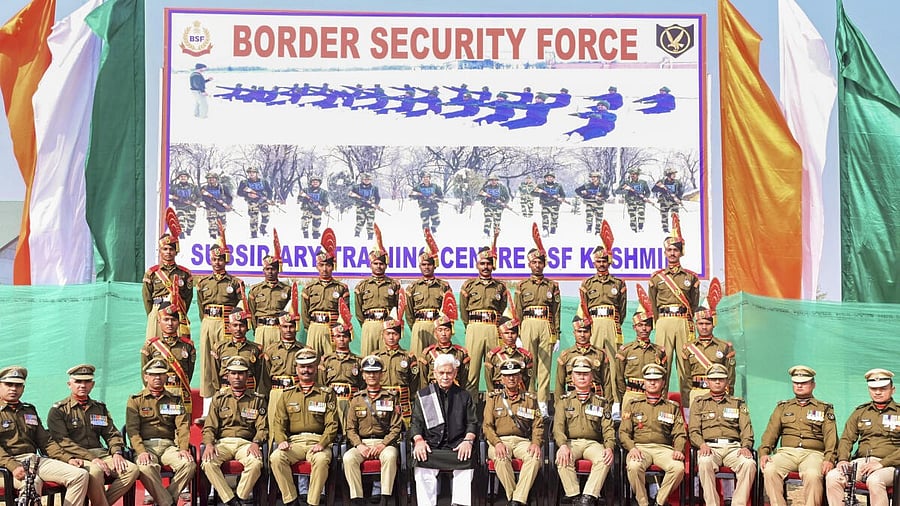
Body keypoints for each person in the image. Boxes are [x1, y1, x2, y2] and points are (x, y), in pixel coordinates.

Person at [46, 364, 139, 506]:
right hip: (76, 457)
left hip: (101, 454)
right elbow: (63, 442)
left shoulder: (99, 407)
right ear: (69, 384)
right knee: (95, 472)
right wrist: (92, 458)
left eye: (87, 381)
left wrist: (116, 453)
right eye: (78, 381)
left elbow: (111, 434)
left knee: (131, 470)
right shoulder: (59, 410)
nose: (82, 385)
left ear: (92, 384)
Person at [0, 366, 89, 506]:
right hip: (6, 465)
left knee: (79, 475)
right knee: (32, 483)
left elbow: (46, 442)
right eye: (8, 384)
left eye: (18, 385)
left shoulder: (29, 410)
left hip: (33, 460)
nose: (13, 389)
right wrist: (13, 466)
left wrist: (68, 458)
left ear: (23, 388)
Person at [759, 366, 837, 506]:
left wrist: (829, 459)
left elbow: (831, 437)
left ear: (813, 385)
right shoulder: (783, 407)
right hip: (786, 453)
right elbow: (771, 432)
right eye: (796, 382)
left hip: (813, 454)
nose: (799, 385)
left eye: (804, 382)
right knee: (770, 469)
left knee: (813, 475)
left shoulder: (824, 408)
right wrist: (764, 452)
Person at [270, 348, 339, 506]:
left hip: (318, 441)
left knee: (321, 460)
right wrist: (281, 440)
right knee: (276, 458)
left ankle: (312, 502)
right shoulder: (287, 394)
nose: (306, 370)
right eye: (302, 367)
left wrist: (322, 443)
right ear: (296, 369)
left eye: (309, 367)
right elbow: (279, 422)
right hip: (295, 443)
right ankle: (291, 500)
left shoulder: (326, 394)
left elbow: (332, 424)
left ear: (315, 368)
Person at [409, 354, 479, 506]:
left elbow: (473, 423)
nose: (445, 377)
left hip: (457, 446)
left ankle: (459, 504)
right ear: (435, 373)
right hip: (431, 446)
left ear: (455, 373)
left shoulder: (464, 396)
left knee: (466, 461)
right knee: (421, 460)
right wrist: (419, 440)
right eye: (441, 373)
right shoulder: (424, 395)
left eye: (449, 373)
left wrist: (468, 441)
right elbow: (416, 422)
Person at [825, 368, 899, 506]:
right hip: (862, 462)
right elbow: (847, 438)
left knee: (875, 480)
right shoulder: (860, 412)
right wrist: (842, 460)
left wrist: (881, 463)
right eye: (873, 388)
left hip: (890, 464)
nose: (877, 392)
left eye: (883, 388)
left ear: (892, 389)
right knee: (833, 477)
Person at [126, 359, 196, 506]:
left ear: (166, 377)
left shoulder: (175, 400)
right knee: (145, 466)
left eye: (161, 374)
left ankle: (164, 500)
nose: (157, 378)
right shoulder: (136, 400)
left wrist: (183, 448)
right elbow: (132, 429)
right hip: (145, 446)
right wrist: (140, 451)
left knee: (188, 464)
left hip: (168, 446)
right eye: (153, 375)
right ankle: (168, 502)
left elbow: (183, 426)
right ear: (146, 377)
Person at [200, 357, 267, 506]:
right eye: (234, 373)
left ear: (248, 376)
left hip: (246, 444)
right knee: (208, 462)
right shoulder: (219, 398)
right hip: (223, 443)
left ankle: (240, 497)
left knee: (255, 463)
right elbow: (210, 426)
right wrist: (209, 444)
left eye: (241, 373)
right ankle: (231, 500)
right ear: (227, 376)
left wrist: (256, 443)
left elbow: (262, 427)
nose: (237, 377)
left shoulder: (257, 399)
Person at [688, 363, 755, 506]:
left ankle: (738, 503)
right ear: (707, 381)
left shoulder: (737, 403)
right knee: (705, 462)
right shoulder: (699, 403)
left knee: (749, 464)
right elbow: (693, 430)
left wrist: (746, 446)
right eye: (713, 379)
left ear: (727, 382)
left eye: (721, 379)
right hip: (710, 447)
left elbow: (746, 429)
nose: (717, 382)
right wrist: (701, 444)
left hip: (734, 448)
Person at [619, 364, 686, 506]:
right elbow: (623, 432)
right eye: (649, 380)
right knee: (634, 466)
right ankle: (643, 503)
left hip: (664, 449)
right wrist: (631, 448)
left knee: (678, 468)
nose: (653, 382)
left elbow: (680, 433)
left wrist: (678, 450)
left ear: (663, 383)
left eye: (656, 379)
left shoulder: (671, 407)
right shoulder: (633, 405)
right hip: (640, 448)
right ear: (644, 382)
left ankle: (659, 502)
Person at [649, 221, 700, 405]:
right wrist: (658, 322)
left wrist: (686, 318)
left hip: (683, 321)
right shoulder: (657, 278)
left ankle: (687, 407)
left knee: (685, 366)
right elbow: (653, 304)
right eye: (669, 250)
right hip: (663, 321)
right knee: (661, 364)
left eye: (675, 250)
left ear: (681, 252)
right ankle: (659, 405)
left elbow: (693, 304)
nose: (672, 253)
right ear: (665, 252)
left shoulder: (690, 277)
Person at [554, 356, 616, 506]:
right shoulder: (564, 401)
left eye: (585, 374)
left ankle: (588, 497)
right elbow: (558, 427)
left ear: (592, 377)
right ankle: (575, 497)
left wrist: (609, 448)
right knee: (562, 458)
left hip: (593, 444)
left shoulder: (601, 402)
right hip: (571, 443)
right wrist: (562, 445)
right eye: (578, 373)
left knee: (604, 458)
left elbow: (608, 428)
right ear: (572, 378)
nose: (582, 377)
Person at [342, 355, 403, 506]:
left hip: (385, 443)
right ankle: (357, 499)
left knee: (390, 456)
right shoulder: (356, 399)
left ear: (381, 374)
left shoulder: (391, 397)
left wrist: (383, 444)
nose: (371, 375)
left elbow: (396, 427)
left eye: (375, 372)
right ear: (363, 374)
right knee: (348, 458)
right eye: (368, 372)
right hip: (362, 443)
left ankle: (385, 498)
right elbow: (350, 428)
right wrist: (359, 445)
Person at [483, 360, 544, 506]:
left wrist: (536, 443)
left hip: (522, 441)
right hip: (500, 440)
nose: (511, 378)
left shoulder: (530, 399)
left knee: (534, 458)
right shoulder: (493, 398)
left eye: (515, 375)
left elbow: (538, 426)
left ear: (520, 377)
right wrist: (497, 443)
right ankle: (517, 499)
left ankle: (516, 500)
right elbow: (487, 426)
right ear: (502, 379)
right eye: (508, 375)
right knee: (501, 458)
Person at [196, 229, 245, 403]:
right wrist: (208, 322)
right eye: (214, 259)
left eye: (220, 259)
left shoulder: (235, 282)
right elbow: (201, 308)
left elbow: (242, 306)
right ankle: (208, 407)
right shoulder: (203, 283)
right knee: (207, 363)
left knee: (226, 360)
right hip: (209, 323)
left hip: (226, 323)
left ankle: (228, 401)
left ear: (226, 260)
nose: (217, 263)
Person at [579, 224, 627, 402]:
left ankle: (614, 401)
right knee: (593, 361)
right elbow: (584, 307)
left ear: (609, 262)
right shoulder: (587, 283)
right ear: (594, 262)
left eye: (604, 261)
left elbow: (621, 309)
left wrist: (614, 322)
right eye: (598, 261)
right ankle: (594, 399)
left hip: (612, 322)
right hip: (594, 324)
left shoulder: (618, 283)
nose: (601, 264)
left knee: (614, 364)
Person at [513, 236, 558, 411]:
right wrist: (517, 333)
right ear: (529, 264)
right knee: (528, 364)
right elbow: (517, 310)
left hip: (546, 323)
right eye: (534, 262)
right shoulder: (522, 285)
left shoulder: (552, 285)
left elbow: (556, 310)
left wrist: (557, 334)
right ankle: (530, 398)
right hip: (528, 324)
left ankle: (542, 401)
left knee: (545, 365)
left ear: (544, 264)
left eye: (540, 262)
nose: (537, 265)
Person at [459, 242, 507, 400]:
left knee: (494, 370)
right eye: (482, 263)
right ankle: (471, 413)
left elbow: (502, 308)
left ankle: (495, 408)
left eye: (488, 263)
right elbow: (463, 310)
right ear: (477, 265)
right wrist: (470, 327)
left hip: (493, 328)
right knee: (471, 372)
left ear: (493, 265)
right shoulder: (468, 285)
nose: (485, 266)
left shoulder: (500, 287)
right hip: (474, 328)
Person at [142, 211, 193, 342]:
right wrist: (154, 314)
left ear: (176, 251)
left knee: (178, 348)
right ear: (160, 251)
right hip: (157, 310)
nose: (168, 252)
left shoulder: (184, 273)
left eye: (171, 249)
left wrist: (179, 311)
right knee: (155, 346)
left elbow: (187, 297)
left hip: (177, 313)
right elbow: (147, 298)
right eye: (165, 249)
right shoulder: (152, 273)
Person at [140, 301, 197, 415]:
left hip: (179, 392)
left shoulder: (188, 346)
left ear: (179, 322)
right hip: (159, 393)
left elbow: (189, 373)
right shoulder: (151, 346)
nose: (170, 323)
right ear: (159, 322)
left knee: (181, 429)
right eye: (166, 320)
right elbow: (145, 374)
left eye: (173, 320)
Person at [403, 229, 452, 358]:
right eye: (423, 264)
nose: (426, 267)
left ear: (434, 265)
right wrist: (415, 326)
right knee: (418, 361)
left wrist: (441, 327)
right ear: (419, 266)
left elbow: (449, 310)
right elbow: (408, 313)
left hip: (437, 326)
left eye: (429, 264)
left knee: (438, 360)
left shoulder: (444, 286)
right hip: (419, 326)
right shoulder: (412, 287)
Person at [301, 229, 350, 356]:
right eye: (321, 265)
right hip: (314, 328)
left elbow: (345, 314)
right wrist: (311, 328)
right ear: (317, 266)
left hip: (333, 329)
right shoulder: (309, 288)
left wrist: (337, 329)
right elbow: (305, 314)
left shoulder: (341, 288)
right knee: (312, 360)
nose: (324, 269)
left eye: (327, 265)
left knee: (332, 360)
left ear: (332, 266)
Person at [354, 229, 400, 356]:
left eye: (381, 263)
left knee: (386, 359)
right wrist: (367, 324)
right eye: (375, 263)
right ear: (370, 264)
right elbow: (358, 312)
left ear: (386, 265)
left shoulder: (394, 284)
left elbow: (397, 308)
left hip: (387, 325)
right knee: (368, 360)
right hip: (369, 325)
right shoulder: (362, 286)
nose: (378, 266)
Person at [682, 299, 736, 408]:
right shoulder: (688, 348)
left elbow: (730, 376)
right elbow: (686, 379)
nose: (704, 327)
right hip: (696, 394)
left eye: (707, 323)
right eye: (700, 323)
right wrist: (687, 404)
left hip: (719, 395)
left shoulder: (724, 347)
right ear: (696, 325)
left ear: (713, 324)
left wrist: (729, 397)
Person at [615, 298, 667, 409]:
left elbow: (664, 377)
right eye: (640, 325)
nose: (644, 328)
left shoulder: (659, 351)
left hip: (652, 396)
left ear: (652, 327)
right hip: (631, 395)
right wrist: (625, 395)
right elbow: (619, 377)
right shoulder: (625, 351)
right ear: (634, 327)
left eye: (647, 325)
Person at [263, 310, 304, 440]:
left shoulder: (304, 350)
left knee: (296, 427)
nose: (288, 330)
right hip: (276, 392)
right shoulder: (270, 350)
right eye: (285, 326)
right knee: (274, 430)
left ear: (296, 327)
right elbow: (265, 377)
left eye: (291, 326)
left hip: (296, 393)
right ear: (279, 328)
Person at [556, 315, 614, 402]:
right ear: (574, 333)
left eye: (585, 331)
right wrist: (559, 405)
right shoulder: (566, 355)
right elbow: (559, 384)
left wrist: (607, 405)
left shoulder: (600, 354)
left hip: (595, 400)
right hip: (572, 401)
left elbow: (607, 383)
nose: (582, 335)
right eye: (579, 331)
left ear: (591, 333)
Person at [318, 316, 363, 429]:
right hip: (331, 401)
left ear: (350, 338)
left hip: (350, 401)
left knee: (350, 431)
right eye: (338, 336)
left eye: (344, 336)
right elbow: (322, 383)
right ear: (333, 339)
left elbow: (362, 385)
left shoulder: (357, 361)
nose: (341, 339)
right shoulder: (327, 360)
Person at [247, 242, 291, 351]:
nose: (270, 272)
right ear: (263, 270)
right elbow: (251, 312)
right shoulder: (255, 290)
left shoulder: (286, 290)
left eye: (273, 269)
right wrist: (256, 328)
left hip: (278, 329)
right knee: (260, 361)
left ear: (278, 270)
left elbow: (290, 312)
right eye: (267, 269)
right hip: (261, 329)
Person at [374, 318, 419, 425]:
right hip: (382, 398)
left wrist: (411, 398)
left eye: (394, 334)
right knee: (382, 426)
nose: (391, 337)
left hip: (402, 401)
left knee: (404, 429)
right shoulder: (376, 356)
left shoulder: (408, 357)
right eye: (388, 333)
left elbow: (414, 382)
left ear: (400, 335)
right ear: (382, 335)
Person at [213, 310, 267, 395]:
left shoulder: (256, 349)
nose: (238, 329)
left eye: (241, 326)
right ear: (229, 328)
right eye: (235, 325)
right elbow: (215, 373)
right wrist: (217, 392)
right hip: (225, 392)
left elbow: (259, 375)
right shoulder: (220, 348)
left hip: (248, 392)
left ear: (247, 328)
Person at [420, 310, 471, 389]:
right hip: (434, 392)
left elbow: (464, 379)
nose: (443, 334)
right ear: (435, 333)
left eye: (446, 330)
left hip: (454, 393)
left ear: (451, 332)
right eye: (440, 330)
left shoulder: (460, 353)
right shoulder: (428, 353)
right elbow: (423, 380)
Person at [484, 317, 534, 393]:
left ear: (517, 335)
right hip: (499, 394)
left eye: (513, 333)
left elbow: (527, 379)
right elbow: (488, 379)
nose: (510, 336)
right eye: (506, 333)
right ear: (501, 335)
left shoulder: (525, 356)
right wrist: (492, 395)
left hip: (518, 394)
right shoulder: (493, 356)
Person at [236, 167, 273, 238]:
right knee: (254, 217)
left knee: (266, 215)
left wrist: (268, 198)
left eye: (253, 172)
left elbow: (270, 191)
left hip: (263, 200)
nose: (251, 174)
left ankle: (262, 228)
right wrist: (248, 194)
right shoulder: (244, 182)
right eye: (250, 172)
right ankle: (254, 233)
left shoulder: (263, 181)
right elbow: (239, 192)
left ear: (257, 173)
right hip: (252, 201)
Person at [616, 168, 651, 233]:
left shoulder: (643, 182)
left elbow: (648, 192)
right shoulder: (626, 183)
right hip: (630, 202)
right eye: (632, 174)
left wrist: (646, 197)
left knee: (641, 214)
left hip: (640, 201)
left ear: (638, 175)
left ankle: (641, 228)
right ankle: (633, 229)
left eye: (635, 174)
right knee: (632, 216)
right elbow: (617, 191)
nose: (633, 176)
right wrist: (626, 190)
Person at [200, 173, 233, 239]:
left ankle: (221, 237)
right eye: (209, 178)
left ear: (217, 179)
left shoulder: (223, 187)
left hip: (221, 208)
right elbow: (203, 197)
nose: (211, 180)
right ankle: (213, 238)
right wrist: (212, 202)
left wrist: (225, 203)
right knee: (212, 224)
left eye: (213, 178)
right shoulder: (204, 188)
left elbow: (229, 197)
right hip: (210, 208)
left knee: (222, 224)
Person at [349, 173, 382, 240]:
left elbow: (378, 197)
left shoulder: (374, 188)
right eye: (365, 179)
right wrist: (358, 200)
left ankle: (370, 237)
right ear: (362, 179)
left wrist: (375, 204)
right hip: (360, 207)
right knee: (359, 222)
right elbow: (350, 195)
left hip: (370, 208)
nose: (367, 180)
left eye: (368, 179)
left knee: (370, 223)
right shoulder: (356, 187)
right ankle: (356, 236)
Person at [652, 168, 685, 233]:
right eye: (673, 174)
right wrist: (658, 186)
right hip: (664, 201)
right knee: (664, 216)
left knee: (675, 215)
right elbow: (653, 190)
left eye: (675, 174)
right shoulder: (662, 182)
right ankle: (665, 230)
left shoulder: (678, 182)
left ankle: (675, 229)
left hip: (674, 202)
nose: (675, 175)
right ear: (668, 175)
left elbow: (681, 192)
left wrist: (678, 199)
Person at [169, 171, 199, 236]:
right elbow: (169, 196)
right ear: (178, 178)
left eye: (185, 176)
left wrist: (196, 203)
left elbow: (199, 197)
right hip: (180, 207)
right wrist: (176, 199)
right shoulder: (174, 187)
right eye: (181, 176)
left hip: (191, 207)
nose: (183, 178)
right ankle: (181, 233)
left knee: (191, 223)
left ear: (187, 178)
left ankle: (188, 230)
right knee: (180, 219)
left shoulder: (193, 187)